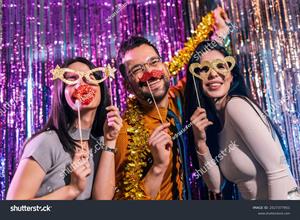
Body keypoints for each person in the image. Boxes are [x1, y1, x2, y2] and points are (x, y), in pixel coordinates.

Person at [92, 7, 232, 200]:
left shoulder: (179, 100)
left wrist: (222, 31)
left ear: (165, 67)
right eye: (138, 69)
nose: (150, 72)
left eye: (154, 62)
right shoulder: (125, 133)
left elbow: (207, 67)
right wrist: (157, 167)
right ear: (128, 87)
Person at [184, 41, 299, 200]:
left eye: (221, 66)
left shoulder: (236, 106)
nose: (213, 74)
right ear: (197, 79)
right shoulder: (216, 122)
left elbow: (278, 172)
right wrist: (200, 143)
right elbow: (215, 185)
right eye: (204, 69)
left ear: (231, 76)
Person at [6, 57, 122, 200]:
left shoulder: (100, 145)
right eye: (72, 79)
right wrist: (71, 190)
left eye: (90, 77)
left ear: (101, 90)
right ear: (62, 93)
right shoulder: (46, 142)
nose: (81, 84)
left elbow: (102, 202)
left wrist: (110, 141)